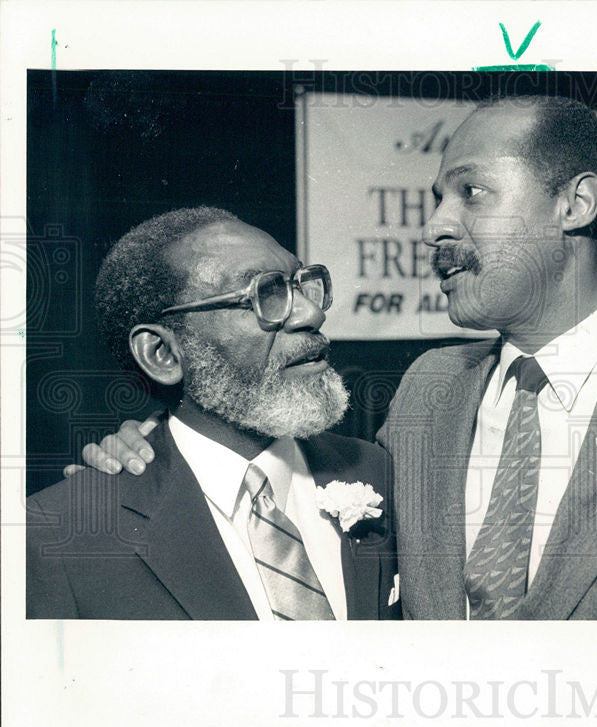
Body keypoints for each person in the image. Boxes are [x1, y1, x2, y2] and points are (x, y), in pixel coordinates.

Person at [72, 96, 597, 620]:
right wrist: (150, 453)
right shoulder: (428, 390)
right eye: (437, 197)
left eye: (471, 193)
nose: (434, 226)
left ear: (576, 204)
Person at [30, 207, 400, 620]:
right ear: (163, 353)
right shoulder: (58, 536)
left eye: (301, 285)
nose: (312, 315)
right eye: (265, 294)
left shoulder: (381, 472)